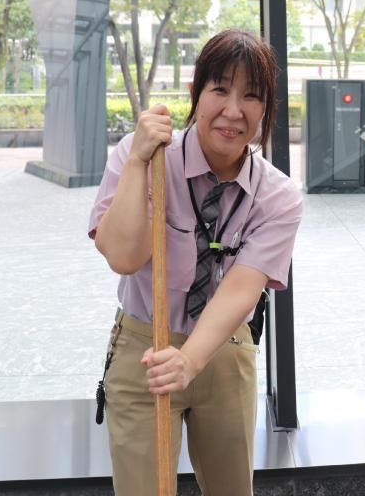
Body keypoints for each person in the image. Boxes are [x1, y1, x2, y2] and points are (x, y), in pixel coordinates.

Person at [88, 29, 302, 496]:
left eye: (251, 96)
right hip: (144, 346)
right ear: (195, 93)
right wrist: (137, 162)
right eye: (220, 90)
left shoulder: (278, 195)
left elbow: (243, 286)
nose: (234, 110)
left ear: (266, 107)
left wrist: (189, 359)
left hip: (225, 346)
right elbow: (123, 256)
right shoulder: (146, 158)